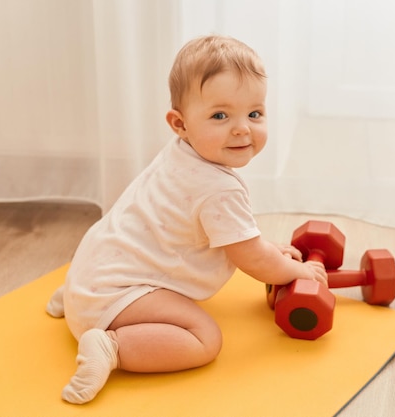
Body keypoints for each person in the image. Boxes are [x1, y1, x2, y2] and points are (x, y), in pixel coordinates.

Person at [46, 35, 327, 405]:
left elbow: (219, 233)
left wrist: (268, 249)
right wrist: (293, 273)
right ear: (180, 123)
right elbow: (249, 256)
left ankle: (79, 301)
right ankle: (112, 345)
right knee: (204, 339)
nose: (242, 128)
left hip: (89, 274)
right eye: (220, 116)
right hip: (112, 301)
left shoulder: (181, 154)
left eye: (254, 113)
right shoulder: (218, 189)